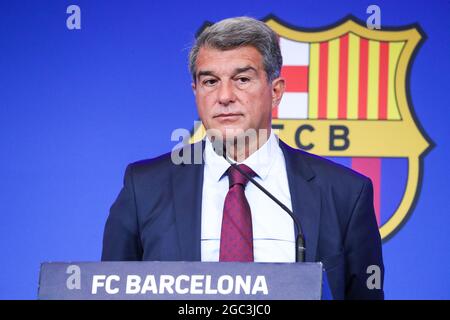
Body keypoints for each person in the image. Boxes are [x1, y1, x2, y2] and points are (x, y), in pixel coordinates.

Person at [102, 16, 384, 300]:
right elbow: (108, 293)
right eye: (210, 81)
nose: (224, 96)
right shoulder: (145, 188)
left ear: (276, 91)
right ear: (195, 92)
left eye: (242, 79)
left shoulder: (345, 193)